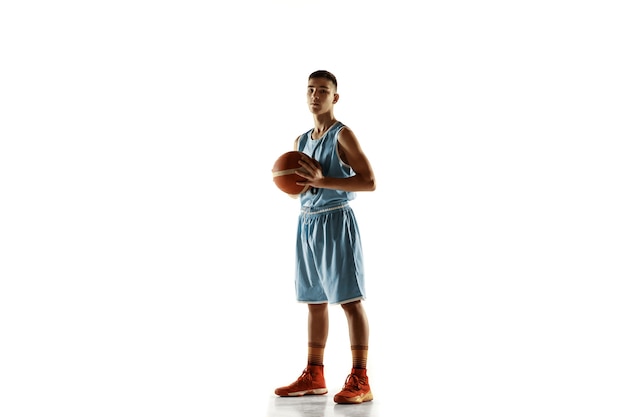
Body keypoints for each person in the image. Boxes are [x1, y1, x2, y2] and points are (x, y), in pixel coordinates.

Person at [274, 70, 376, 404]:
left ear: (335, 97)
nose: (315, 96)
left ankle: (361, 378)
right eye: (310, 90)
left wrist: (323, 182)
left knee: (350, 300)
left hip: (336, 221)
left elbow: (369, 181)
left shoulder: (342, 136)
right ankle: (314, 375)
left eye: (323, 91)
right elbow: (299, 193)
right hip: (307, 224)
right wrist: (290, 183)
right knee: (314, 302)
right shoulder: (300, 141)